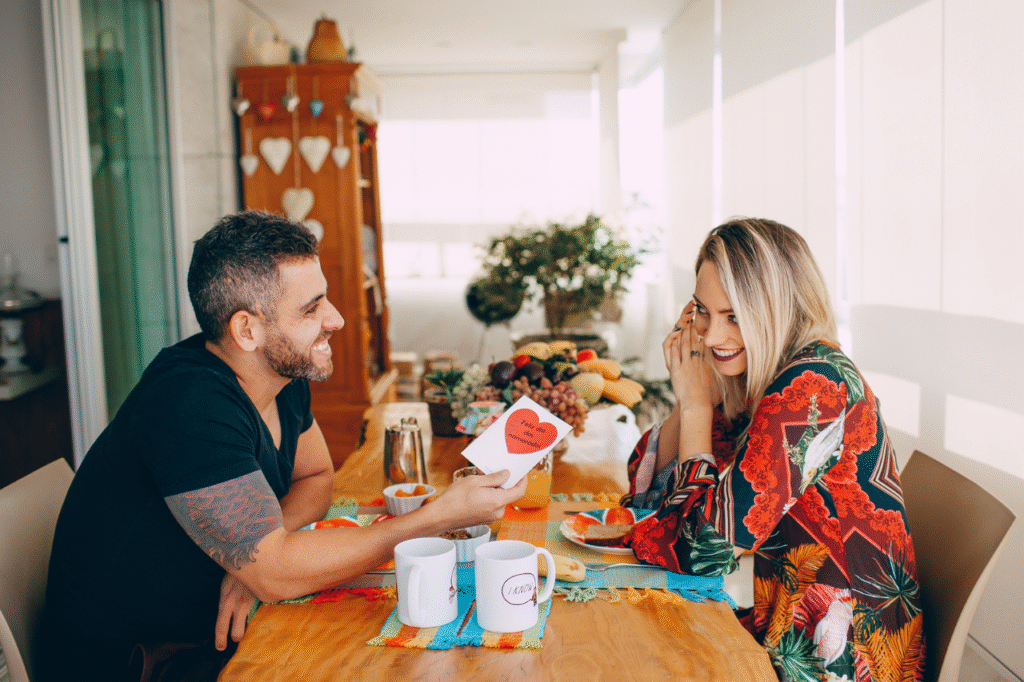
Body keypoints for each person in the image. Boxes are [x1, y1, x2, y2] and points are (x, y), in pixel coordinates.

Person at [38, 211, 527, 682]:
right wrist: (431, 519)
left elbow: (315, 478)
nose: (335, 319)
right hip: (142, 662)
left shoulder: (279, 370)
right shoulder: (188, 405)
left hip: (218, 635)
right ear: (247, 329)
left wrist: (252, 561)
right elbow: (278, 575)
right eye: (311, 308)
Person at [621, 218, 925, 681]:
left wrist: (697, 406)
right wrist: (690, 401)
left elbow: (701, 549)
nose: (711, 335)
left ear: (777, 311)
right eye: (702, 311)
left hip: (838, 659)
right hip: (788, 629)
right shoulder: (764, 372)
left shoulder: (813, 388)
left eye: (735, 316)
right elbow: (650, 501)